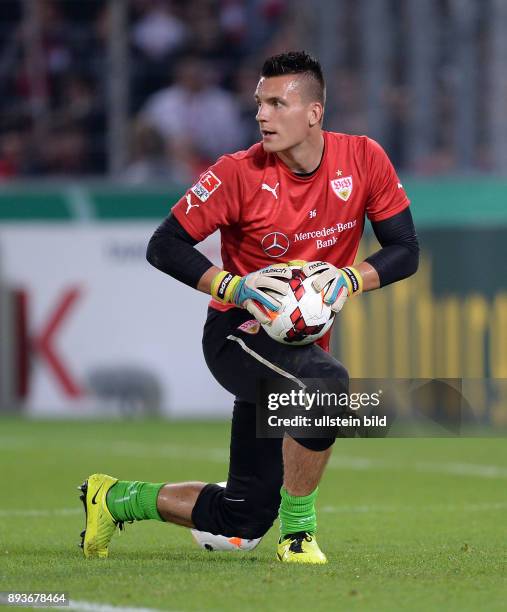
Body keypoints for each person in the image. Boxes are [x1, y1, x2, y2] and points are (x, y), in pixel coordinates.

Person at [78, 51, 419, 564]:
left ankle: (116, 498)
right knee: (328, 385)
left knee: (243, 516)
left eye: (278, 103)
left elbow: (404, 249)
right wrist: (234, 287)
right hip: (237, 335)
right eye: (259, 103)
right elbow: (164, 244)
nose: (262, 115)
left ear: (314, 113)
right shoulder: (237, 173)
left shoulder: (364, 159)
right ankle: (299, 535)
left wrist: (351, 277)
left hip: (297, 350)